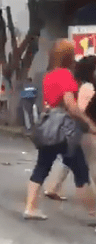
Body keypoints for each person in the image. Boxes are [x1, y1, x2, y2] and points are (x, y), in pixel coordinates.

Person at [23, 39, 96, 220]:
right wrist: (88, 122)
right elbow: (71, 105)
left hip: (49, 127)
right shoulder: (65, 75)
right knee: (81, 172)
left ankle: (30, 208)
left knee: (42, 167)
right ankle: (94, 212)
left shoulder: (49, 75)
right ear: (68, 56)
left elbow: (47, 102)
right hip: (64, 130)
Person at [43, 55, 96, 201]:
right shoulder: (87, 87)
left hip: (77, 129)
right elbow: (82, 109)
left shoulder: (82, 85)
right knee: (91, 163)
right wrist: (89, 123)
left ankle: (52, 188)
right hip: (85, 130)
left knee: (69, 158)